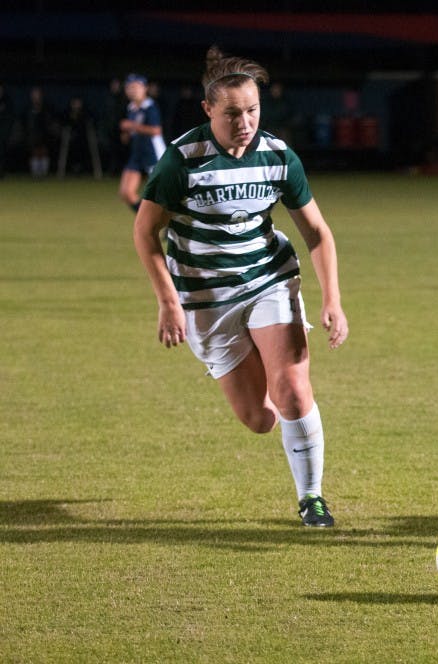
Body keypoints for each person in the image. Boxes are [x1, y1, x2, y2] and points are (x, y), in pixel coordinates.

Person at [133, 46, 349, 527]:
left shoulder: (277, 156)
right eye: (232, 113)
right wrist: (168, 300)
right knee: (260, 419)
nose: (245, 121)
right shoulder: (181, 161)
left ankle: (311, 498)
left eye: (252, 110)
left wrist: (332, 298)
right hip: (206, 301)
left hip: (268, 280)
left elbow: (317, 232)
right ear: (208, 109)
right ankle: (288, 418)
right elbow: (145, 231)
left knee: (292, 388)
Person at [118, 73, 166, 211]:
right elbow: (135, 129)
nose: (132, 90)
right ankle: (146, 223)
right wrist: (127, 134)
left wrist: (131, 126)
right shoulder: (131, 108)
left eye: (136, 87)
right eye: (129, 87)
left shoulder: (150, 107)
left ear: (144, 88)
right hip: (137, 154)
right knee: (126, 193)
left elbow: (156, 131)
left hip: (153, 155)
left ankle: (173, 226)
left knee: (163, 198)